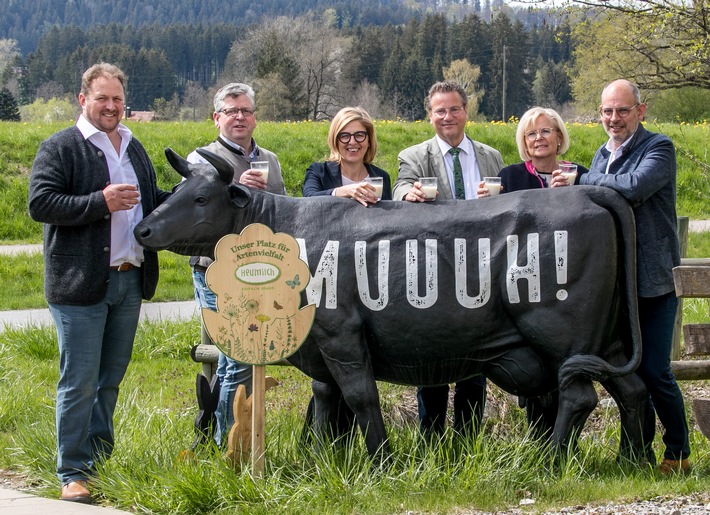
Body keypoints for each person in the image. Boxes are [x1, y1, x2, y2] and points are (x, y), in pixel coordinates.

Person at [28, 62, 171, 503]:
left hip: (129, 282)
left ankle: (99, 463)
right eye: (102, 98)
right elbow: (40, 203)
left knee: (109, 379)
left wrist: (209, 191)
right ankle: (72, 471)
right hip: (80, 286)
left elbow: (154, 201)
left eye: (117, 100)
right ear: (82, 99)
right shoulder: (61, 147)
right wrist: (100, 202)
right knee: (80, 381)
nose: (111, 107)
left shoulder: (134, 146)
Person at [580, 79, 691, 474]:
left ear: (640, 112)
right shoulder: (600, 154)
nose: (614, 118)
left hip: (652, 282)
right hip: (616, 284)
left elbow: (633, 187)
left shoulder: (657, 147)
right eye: (607, 111)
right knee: (628, 368)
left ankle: (679, 451)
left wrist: (581, 179)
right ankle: (637, 452)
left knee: (655, 370)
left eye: (623, 110)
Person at [393, 81, 504, 436]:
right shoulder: (414, 156)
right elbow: (398, 189)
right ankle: (431, 440)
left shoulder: (491, 156)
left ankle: (468, 440)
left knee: (477, 356)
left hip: (480, 267)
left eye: (454, 109)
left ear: (466, 112)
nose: (448, 117)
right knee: (433, 356)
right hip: (435, 270)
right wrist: (407, 194)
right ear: (430, 116)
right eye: (440, 110)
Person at [186, 82, 286, 447]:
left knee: (235, 361)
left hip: (260, 272)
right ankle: (230, 447)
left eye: (245, 110)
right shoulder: (201, 158)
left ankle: (221, 441)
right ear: (217, 119)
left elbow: (283, 213)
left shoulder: (270, 160)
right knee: (238, 358)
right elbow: (199, 216)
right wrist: (236, 189)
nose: (239, 117)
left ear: (255, 118)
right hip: (216, 271)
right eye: (231, 111)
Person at [479, 106, 588, 197]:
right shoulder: (510, 176)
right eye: (531, 134)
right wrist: (487, 201)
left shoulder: (579, 175)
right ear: (525, 142)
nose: (538, 137)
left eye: (545, 131)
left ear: (559, 138)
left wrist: (569, 194)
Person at [303, 106, 392, 204]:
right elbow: (308, 200)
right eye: (345, 136)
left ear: (369, 140)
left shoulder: (381, 176)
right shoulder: (319, 172)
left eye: (359, 135)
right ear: (335, 141)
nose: (352, 142)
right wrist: (343, 191)